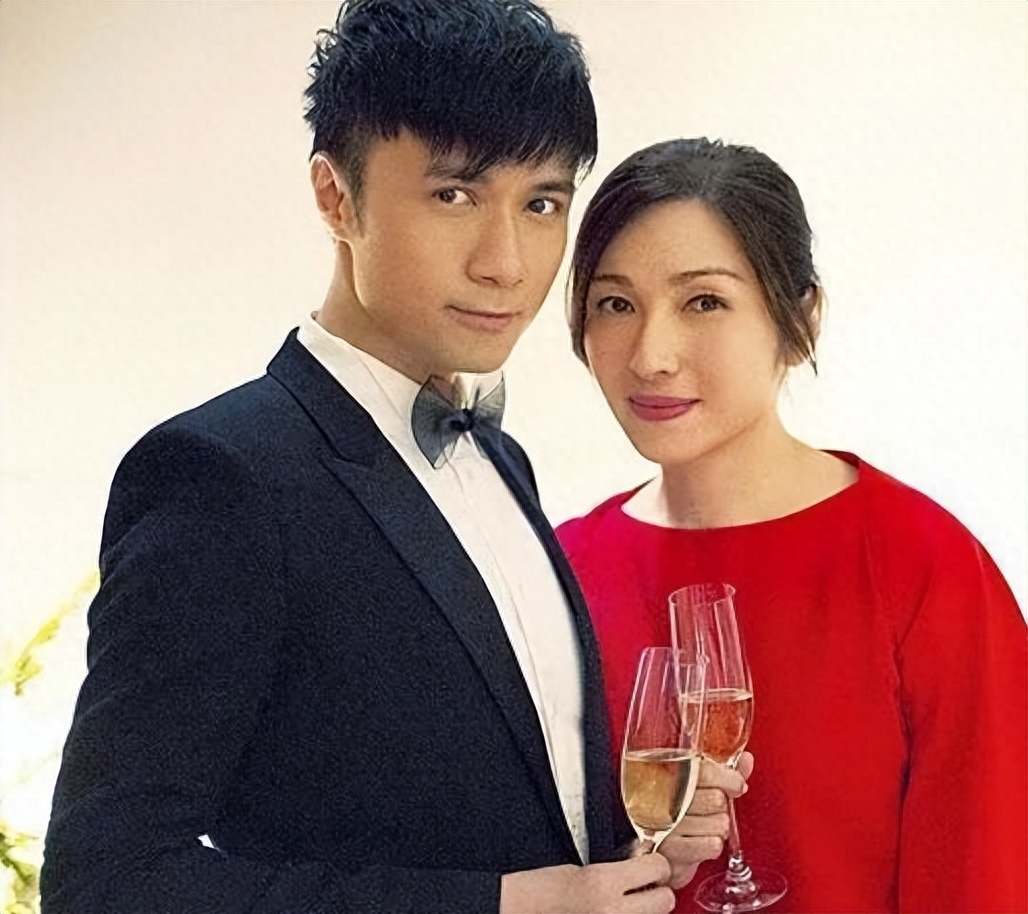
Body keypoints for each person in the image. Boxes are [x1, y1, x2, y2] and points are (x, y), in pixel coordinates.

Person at [39, 5, 745, 913]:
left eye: (541, 203)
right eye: (455, 195)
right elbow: (108, 882)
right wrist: (501, 907)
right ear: (336, 197)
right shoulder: (219, 478)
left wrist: (633, 846)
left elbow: (501, 817)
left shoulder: (503, 459)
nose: (506, 262)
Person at [557, 137, 1028, 913]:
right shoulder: (558, 571)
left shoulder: (925, 565)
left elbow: (986, 879)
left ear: (799, 316)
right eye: (616, 304)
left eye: (703, 302)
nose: (651, 355)